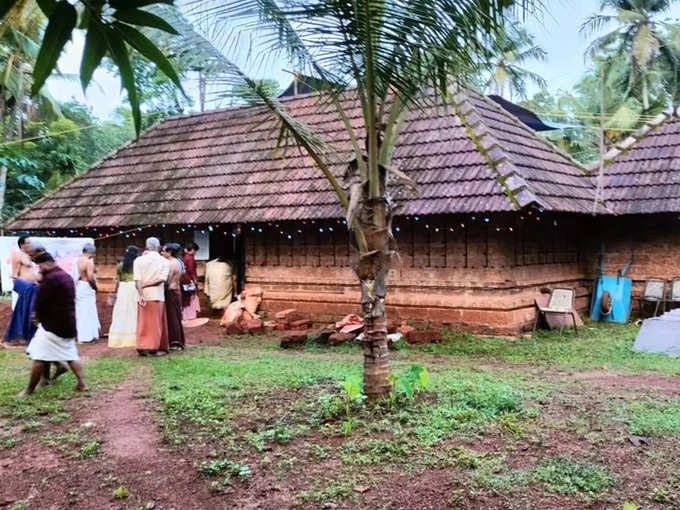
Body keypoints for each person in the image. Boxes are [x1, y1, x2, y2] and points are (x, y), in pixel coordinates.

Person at [18, 252, 87, 398]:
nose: (39, 269)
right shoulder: (65, 276)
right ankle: (82, 383)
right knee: (70, 354)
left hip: (52, 325)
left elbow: (41, 301)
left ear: (46, 264)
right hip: (68, 323)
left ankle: (29, 390)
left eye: (40, 266)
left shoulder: (51, 279)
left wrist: (36, 316)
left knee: (38, 356)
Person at [134, 237, 169, 356]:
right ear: (158, 247)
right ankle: (153, 348)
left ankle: (141, 346)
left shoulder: (138, 260)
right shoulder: (164, 261)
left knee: (143, 323)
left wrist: (141, 293)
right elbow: (162, 279)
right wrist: (146, 285)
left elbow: (137, 280)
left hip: (142, 295)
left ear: (147, 246)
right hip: (157, 295)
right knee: (155, 323)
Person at [5, 236, 39, 345]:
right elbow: (14, 273)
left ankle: (29, 335)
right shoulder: (17, 255)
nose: (31, 244)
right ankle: (17, 336)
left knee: (32, 311)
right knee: (22, 311)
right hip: (25, 287)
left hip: (32, 287)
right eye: (28, 242)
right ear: (22, 244)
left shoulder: (30, 256)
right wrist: (19, 286)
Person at [108, 246, 139, 348]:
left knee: (121, 311)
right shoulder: (137, 264)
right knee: (134, 311)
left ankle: (118, 339)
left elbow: (118, 280)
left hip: (123, 289)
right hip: (133, 288)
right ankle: (134, 338)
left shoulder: (120, 265)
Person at [72, 243, 100, 343]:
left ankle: (84, 335)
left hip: (79, 286)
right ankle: (86, 336)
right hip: (86, 286)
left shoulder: (77, 260)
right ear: (90, 252)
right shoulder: (89, 262)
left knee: (81, 311)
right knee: (88, 311)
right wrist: (95, 287)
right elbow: (90, 277)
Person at [162, 243, 186, 350]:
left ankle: (175, 342)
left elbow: (167, 279)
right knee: (176, 316)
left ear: (170, 252)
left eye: (164, 251)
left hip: (171, 292)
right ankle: (179, 340)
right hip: (177, 290)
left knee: (172, 318)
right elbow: (183, 273)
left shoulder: (171, 263)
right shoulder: (179, 262)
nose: (162, 253)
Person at [181, 242, 200, 320]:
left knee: (185, 297)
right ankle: (190, 315)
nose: (195, 253)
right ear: (192, 250)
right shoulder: (190, 258)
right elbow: (191, 270)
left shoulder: (184, 257)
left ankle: (185, 315)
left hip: (183, 280)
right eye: (195, 251)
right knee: (191, 297)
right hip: (189, 280)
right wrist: (194, 280)